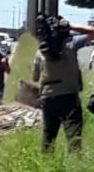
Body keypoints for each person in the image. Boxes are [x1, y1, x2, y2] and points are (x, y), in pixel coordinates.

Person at [32, 17, 94, 152]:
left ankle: (47, 165)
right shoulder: (71, 44)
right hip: (68, 96)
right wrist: (71, 26)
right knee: (74, 137)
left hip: (48, 96)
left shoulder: (40, 52)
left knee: (48, 136)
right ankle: (74, 166)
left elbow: (35, 78)